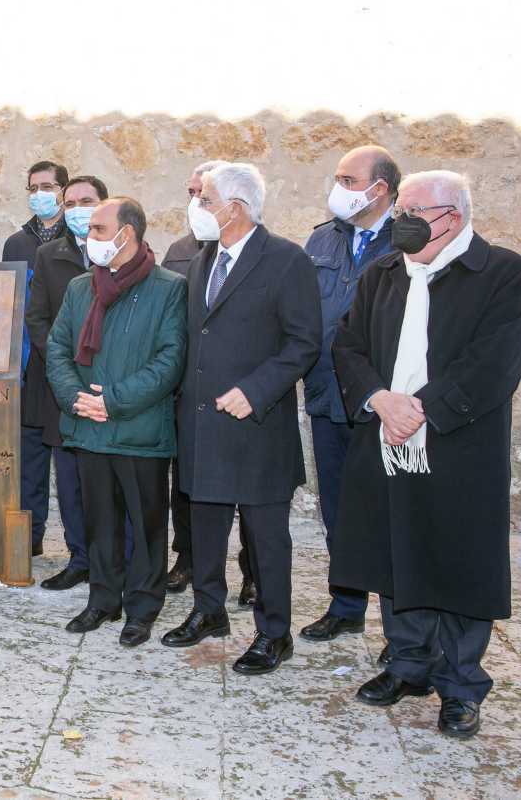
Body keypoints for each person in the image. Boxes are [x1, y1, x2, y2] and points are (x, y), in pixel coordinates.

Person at [331, 171, 521, 738]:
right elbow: (347, 344)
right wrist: (379, 399)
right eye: (400, 207)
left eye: (415, 208)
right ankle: (408, 663)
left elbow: (494, 362)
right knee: (399, 550)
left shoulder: (502, 274)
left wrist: (417, 410)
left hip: (458, 443)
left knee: (461, 563)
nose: (402, 217)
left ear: (452, 216)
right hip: (389, 439)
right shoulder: (383, 273)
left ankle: (461, 685)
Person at [161, 163, 322, 676]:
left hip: (256, 426)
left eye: (205, 199)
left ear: (235, 207)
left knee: (266, 539)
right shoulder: (203, 258)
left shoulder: (286, 261)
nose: (198, 208)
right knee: (204, 528)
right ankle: (208, 611)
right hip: (202, 423)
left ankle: (275, 634)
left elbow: (304, 342)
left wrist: (254, 391)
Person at [46, 197, 186, 646]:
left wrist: (117, 401)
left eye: (100, 230)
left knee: (145, 526)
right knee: (99, 522)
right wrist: (75, 399)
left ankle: (142, 608)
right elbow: (59, 349)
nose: (91, 239)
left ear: (128, 234)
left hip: (140, 429)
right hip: (89, 427)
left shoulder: (169, 288)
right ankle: (102, 600)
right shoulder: (81, 288)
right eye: (90, 231)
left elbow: (171, 358)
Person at [299, 146, 400, 647]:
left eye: (348, 178)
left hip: (380, 401)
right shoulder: (322, 240)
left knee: (386, 512)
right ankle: (346, 605)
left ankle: (400, 629)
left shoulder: (407, 241)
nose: (338, 187)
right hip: (325, 394)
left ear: (379, 188)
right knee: (336, 508)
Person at [161, 160, 256, 609]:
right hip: (190, 391)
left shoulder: (264, 251)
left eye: (203, 196)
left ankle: (252, 570)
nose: (194, 204)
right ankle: (189, 559)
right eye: (191, 193)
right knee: (189, 487)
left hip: (244, 395)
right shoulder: (183, 251)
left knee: (249, 495)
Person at [25, 174, 106, 590]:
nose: (77, 208)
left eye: (86, 200)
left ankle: (112, 559)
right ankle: (79, 559)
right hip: (61, 387)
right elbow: (37, 317)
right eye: (70, 201)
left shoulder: (119, 253)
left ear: (104, 205)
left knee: (108, 483)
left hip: (109, 389)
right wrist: (62, 363)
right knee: (70, 482)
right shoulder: (48, 254)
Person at [3, 160, 69, 557]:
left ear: (62, 189)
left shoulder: (81, 237)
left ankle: (82, 545)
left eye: (47, 186)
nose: (40, 193)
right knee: (28, 463)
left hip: (64, 365)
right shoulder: (16, 242)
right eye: (33, 187)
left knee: (69, 463)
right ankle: (31, 538)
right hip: (28, 367)